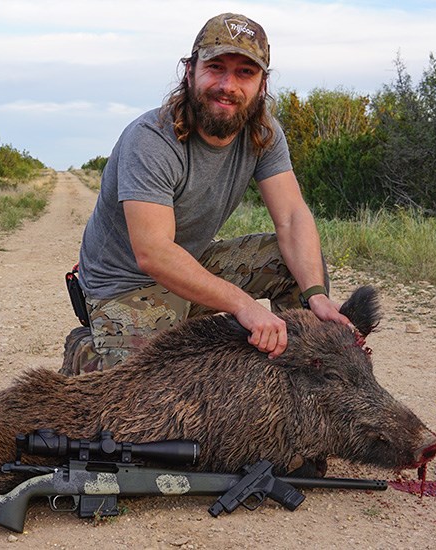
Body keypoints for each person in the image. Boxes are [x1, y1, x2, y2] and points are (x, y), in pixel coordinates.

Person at [62, 12, 351, 375]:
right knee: (146, 401)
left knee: (293, 262)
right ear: (190, 71)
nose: (228, 85)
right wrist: (243, 305)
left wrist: (316, 295)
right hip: (125, 285)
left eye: (245, 72)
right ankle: (87, 352)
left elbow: (292, 217)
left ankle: (291, 375)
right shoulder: (151, 138)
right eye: (216, 67)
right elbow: (152, 252)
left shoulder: (264, 133)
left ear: (262, 84)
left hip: (190, 266)